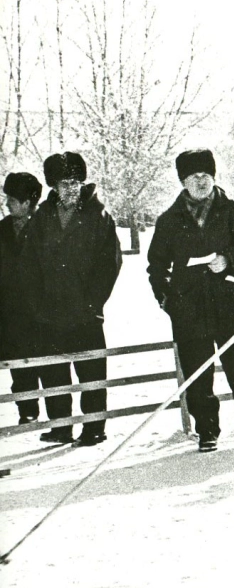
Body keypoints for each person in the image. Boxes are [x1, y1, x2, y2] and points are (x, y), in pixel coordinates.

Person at [147, 149, 234, 452]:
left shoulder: (232, 211)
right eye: (194, 176)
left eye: (206, 175)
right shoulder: (169, 220)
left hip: (229, 302)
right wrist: (168, 301)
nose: (201, 181)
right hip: (188, 309)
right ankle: (207, 431)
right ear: (183, 181)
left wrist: (229, 259)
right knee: (198, 375)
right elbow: (156, 267)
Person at [22, 152, 122, 446]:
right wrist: (38, 306)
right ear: (53, 185)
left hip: (86, 312)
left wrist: (92, 304)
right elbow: (29, 266)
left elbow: (109, 265)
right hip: (49, 313)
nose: (71, 188)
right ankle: (61, 426)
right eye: (64, 183)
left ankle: (93, 427)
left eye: (76, 182)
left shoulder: (99, 217)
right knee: (54, 371)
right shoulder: (41, 217)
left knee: (91, 370)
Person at [0, 172, 43, 424]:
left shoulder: (45, 229)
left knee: (47, 365)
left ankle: (58, 419)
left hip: (41, 312)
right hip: (9, 314)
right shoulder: (2, 229)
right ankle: (27, 412)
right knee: (18, 365)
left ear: (27, 202)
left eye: (12, 199)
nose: (6, 204)